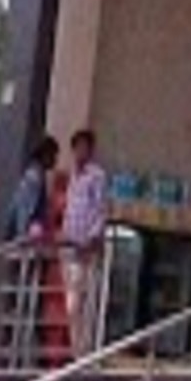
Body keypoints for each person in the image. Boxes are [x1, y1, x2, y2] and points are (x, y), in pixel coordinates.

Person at [0, 138, 56, 370]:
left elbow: (14, 212)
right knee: (25, 301)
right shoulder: (35, 178)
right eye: (53, 155)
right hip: (27, 249)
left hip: (21, 246)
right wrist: (26, 242)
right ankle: (17, 356)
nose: (55, 160)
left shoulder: (28, 177)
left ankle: (13, 354)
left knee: (19, 301)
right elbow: (26, 213)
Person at [60, 127, 111, 354]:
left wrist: (92, 238)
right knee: (70, 301)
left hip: (85, 248)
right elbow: (71, 208)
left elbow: (100, 210)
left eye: (84, 147)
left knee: (78, 302)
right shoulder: (73, 176)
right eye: (77, 147)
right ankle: (75, 348)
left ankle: (82, 350)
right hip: (69, 245)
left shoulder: (97, 176)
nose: (80, 152)